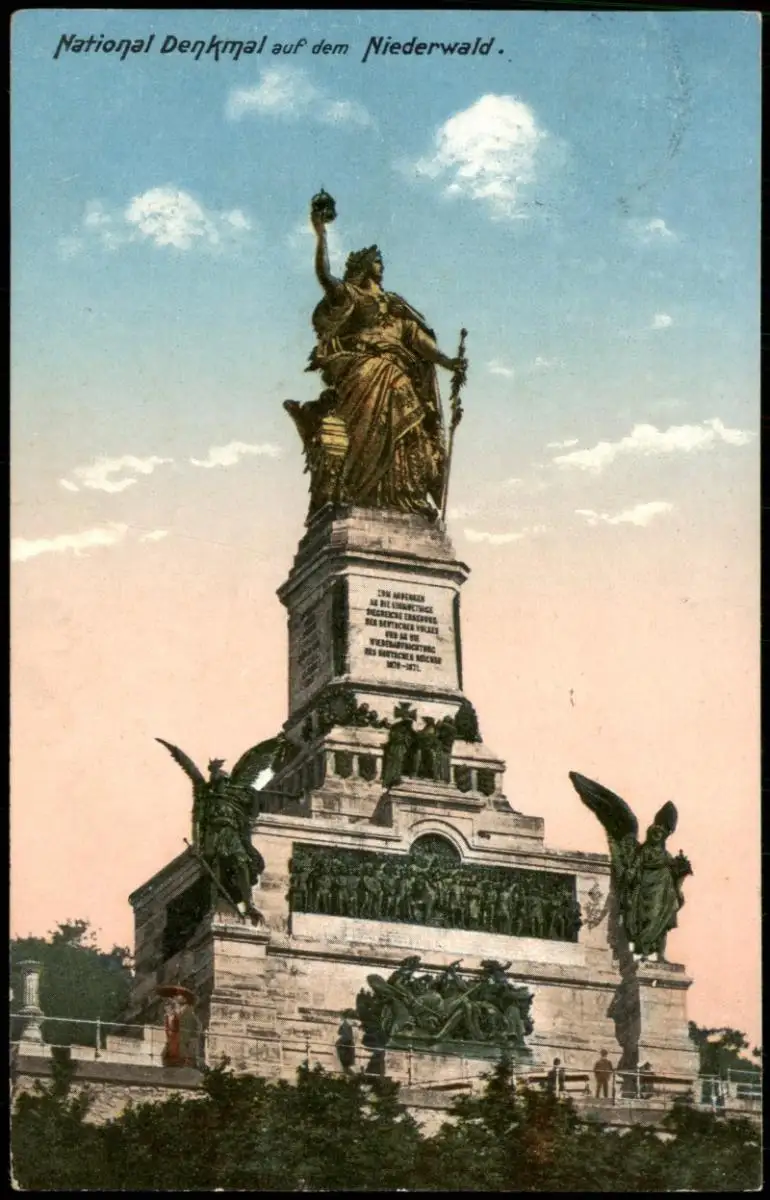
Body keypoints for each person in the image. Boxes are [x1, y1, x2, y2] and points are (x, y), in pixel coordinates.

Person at [305, 205, 463, 518]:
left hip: (396, 371)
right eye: (376, 260)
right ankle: (359, 491)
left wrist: (450, 363)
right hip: (364, 369)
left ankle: (402, 495)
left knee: (410, 425)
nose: (381, 264)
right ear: (365, 267)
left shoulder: (395, 307)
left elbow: (418, 340)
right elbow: (324, 276)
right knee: (370, 424)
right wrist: (321, 233)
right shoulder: (351, 295)